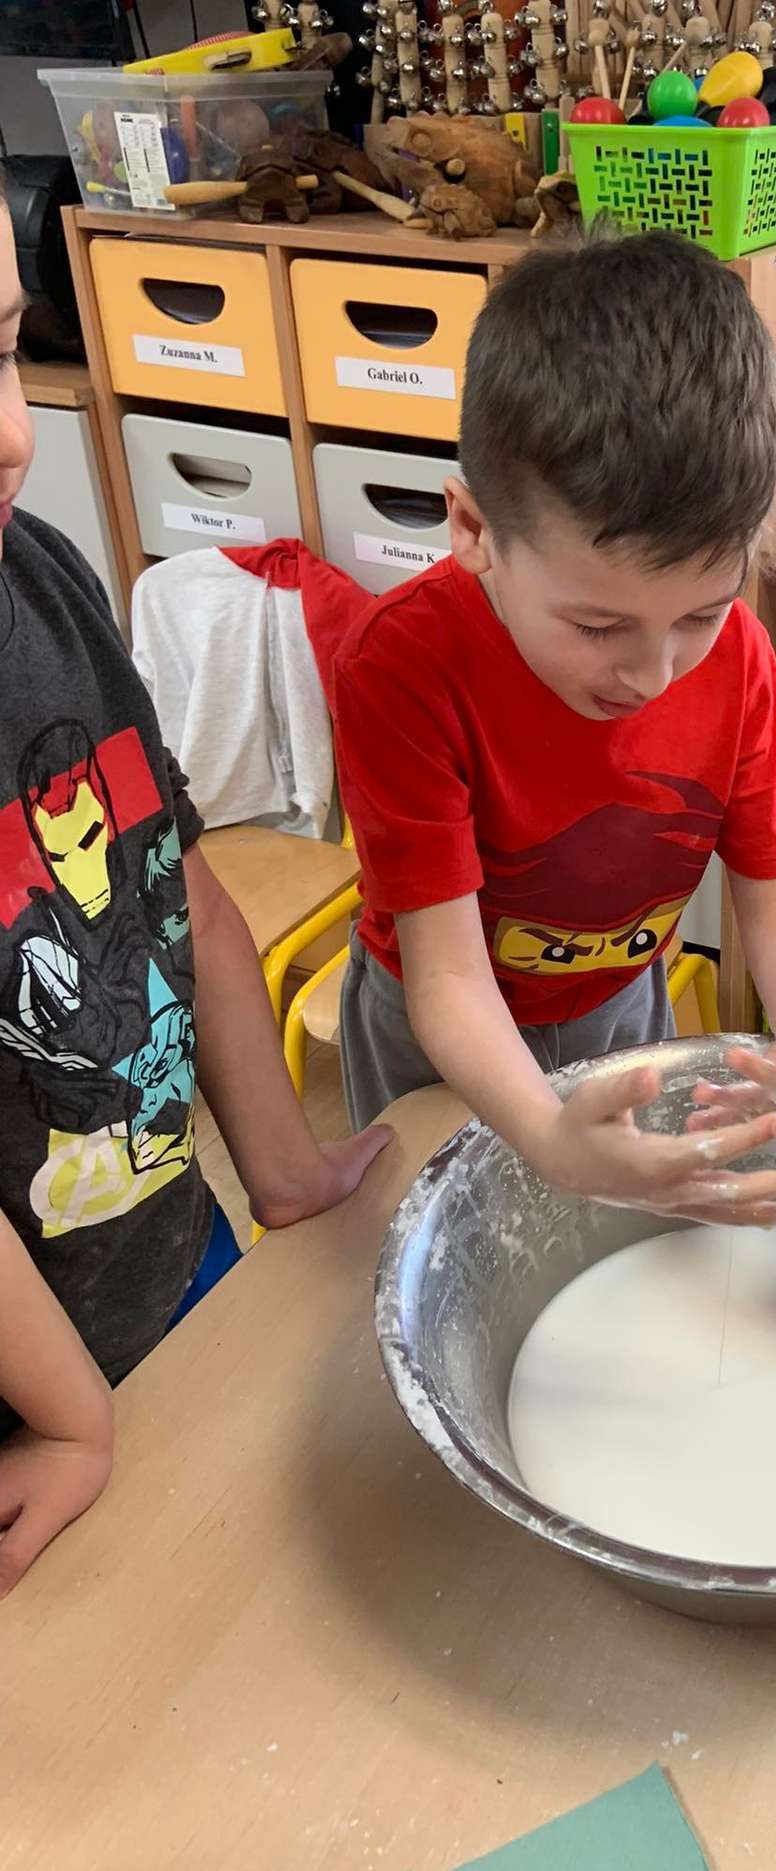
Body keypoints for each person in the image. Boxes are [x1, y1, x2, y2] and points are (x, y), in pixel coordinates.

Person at [0, 203, 392, 1596]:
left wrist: (283, 1168)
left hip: (169, 1256)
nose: (8, 435)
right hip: (33, 1409)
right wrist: (70, 1421)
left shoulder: (43, 578)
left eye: (1, 352)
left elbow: (186, 898)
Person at [333, 230, 776, 1222]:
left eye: (701, 613)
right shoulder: (401, 664)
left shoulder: (742, 662)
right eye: (598, 626)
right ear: (474, 531)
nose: (653, 674)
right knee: (456, 1228)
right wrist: (545, 1135)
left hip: (621, 1003)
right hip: (440, 1033)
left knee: (619, 1219)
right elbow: (447, 977)